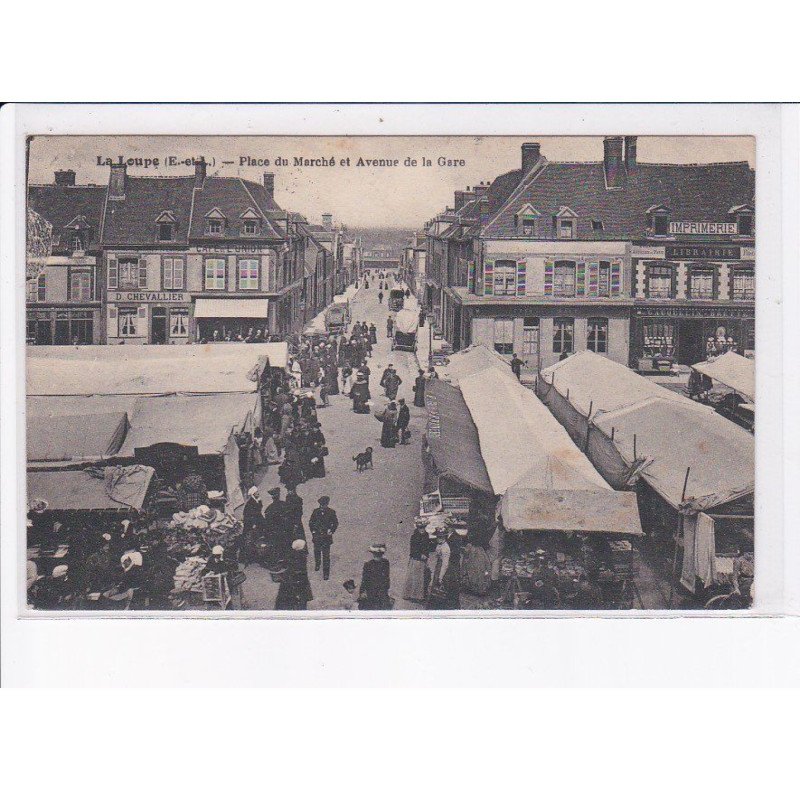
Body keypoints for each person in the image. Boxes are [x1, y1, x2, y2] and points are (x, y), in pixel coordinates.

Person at [275, 539, 313, 610]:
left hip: (291, 581)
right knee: (300, 601)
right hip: (300, 582)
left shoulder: (292, 556)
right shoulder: (301, 557)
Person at [309, 495, 338, 580]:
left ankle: (326, 573)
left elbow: (335, 523)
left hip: (326, 537)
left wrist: (331, 530)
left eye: (324, 505)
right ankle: (317, 564)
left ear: (327, 504)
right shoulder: (315, 512)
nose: (322, 507)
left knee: (326, 556)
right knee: (317, 552)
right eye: (321, 505)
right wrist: (313, 531)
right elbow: (311, 522)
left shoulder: (331, 512)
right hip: (317, 536)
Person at [402, 519, 430, 602]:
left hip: (423, 561)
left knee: (421, 578)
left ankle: (418, 595)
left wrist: (426, 555)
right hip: (416, 559)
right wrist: (420, 555)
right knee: (414, 578)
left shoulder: (426, 535)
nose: (422, 530)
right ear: (417, 528)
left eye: (423, 528)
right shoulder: (414, 537)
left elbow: (427, 547)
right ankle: (412, 595)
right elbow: (413, 550)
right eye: (420, 528)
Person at [358, 544, 391, 610]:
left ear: (373, 554)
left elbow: (364, 580)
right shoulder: (386, 563)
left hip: (371, 592)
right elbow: (387, 579)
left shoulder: (368, 564)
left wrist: (362, 592)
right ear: (382, 554)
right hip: (382, 592)